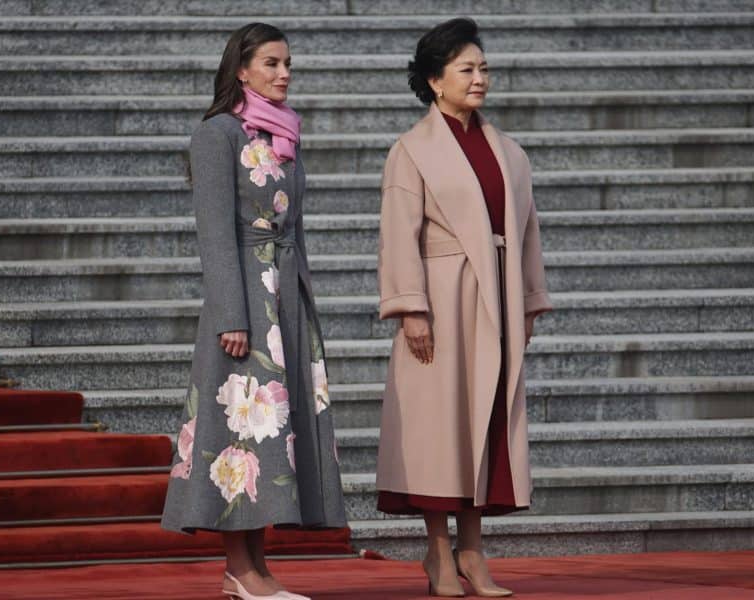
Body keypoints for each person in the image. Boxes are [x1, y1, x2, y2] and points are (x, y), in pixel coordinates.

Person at [161, 23, 346, 600]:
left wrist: (303, 307)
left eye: (288, 62)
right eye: (271, 63)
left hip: (285, 301)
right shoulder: (217, 134)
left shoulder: (286, 134)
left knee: (271, 440)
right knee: (239, 433)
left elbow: (296, 229)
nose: (284, 72)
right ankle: (241, 570)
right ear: (242, 70)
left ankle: (254, 570)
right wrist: (231, 315)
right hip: (243, 301)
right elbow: (214, 232)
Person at [375, 17, 552, 598]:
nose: (480, 79)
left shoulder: (510, 151)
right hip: (442, 302)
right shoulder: (412, 151)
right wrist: (411, 309)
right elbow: (399, 236)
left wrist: (528, 301)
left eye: (483, 68)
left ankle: (473, 553)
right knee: (440, 428)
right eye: (466, 70)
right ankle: (437, 553)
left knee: (486, 424)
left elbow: (527, 234)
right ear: (434, 81)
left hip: (496, 302)